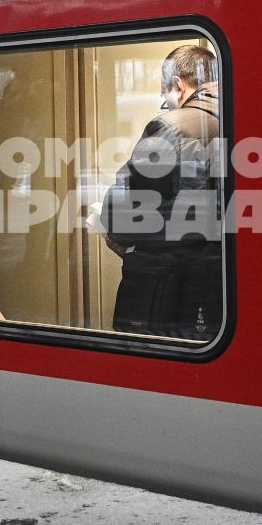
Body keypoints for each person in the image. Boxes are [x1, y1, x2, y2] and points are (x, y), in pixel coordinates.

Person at [99, 44, 224, 340]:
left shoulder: (169, 126)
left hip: (164, 292)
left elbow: (123, 214)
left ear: (178, 86)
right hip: (216, 291)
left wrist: (109, 225)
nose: (164, 103)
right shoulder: (241, 117)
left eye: (163, 93)